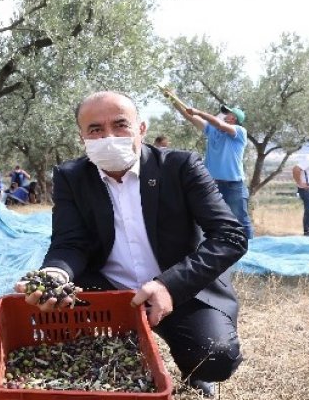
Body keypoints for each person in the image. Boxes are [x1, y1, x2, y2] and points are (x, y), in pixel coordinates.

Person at [13, 91, 248, 398]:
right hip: (106, 290)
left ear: (141, 128)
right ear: (81, 137)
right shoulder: (72, 177)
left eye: (120, 125)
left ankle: (194, 371)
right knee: (79, 354)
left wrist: (168, 285)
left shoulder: (180, 167)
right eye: (95, 129)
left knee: (214, 357)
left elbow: (230, 236)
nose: (108, 136)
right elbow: (70, 242)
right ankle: (122, 350)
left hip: (180, 290)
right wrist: (55, 274)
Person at [177, 104, 254, 239]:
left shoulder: (239, 131)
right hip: (213, 184)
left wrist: (198, 111)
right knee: (212, 218)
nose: (224, 115)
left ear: (234, 118)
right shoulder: (211, 130)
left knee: (241, 219)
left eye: (228, 113)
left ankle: (249, 252)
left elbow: (218, 123)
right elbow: (190, 117)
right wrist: (174, 100)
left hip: (234, 185)